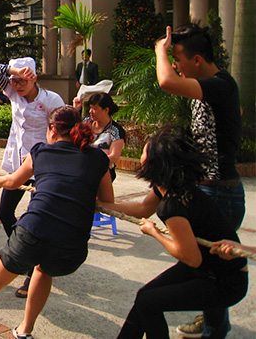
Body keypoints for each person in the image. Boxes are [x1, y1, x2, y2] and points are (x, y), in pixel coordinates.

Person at [0, 106, 113, 339]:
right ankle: (25, 330)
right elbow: (107, 202)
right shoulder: (99, 158)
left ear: (52, 129)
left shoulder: (40, 152)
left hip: (33, 232)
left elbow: (12, 182)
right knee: (43, 270)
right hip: (72, 247)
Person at [98, 127, 247, 339]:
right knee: (144, 297)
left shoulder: (172, 206)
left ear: (155, 163)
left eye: (145, 151)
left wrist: (155, 233)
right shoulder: (171, 186)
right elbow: (142, 209)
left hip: (224, 280)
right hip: (206, 267)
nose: (141, 153)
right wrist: (99, 205)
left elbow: (191, 257)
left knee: (149, 303)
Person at [155, 24, 244, 338]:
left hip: (221, 193)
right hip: (209, 188)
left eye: (178, 58)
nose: (174, 65)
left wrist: (159, 50)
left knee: (210, 268)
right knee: (209, 266)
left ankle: (214, 328)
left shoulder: (221, 85)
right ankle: (212, 320)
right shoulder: (209, 87)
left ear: (197, 60)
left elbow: (166, 81)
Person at [0, 56, 65, 298]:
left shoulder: (51, 100)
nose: (18, 85)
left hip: (43, 167)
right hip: (17, 164)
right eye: (14, 80)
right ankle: (25, 252)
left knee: (36, 221)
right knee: (5, 213)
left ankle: (33, 269)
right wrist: (14, 71)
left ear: (34, 78)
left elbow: (62, 133)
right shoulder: (12, 93)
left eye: (23, 80)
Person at [81, 92, 125, 181]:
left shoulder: (116, 131)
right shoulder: (85, 123)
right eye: (90, 108)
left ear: (106, 110)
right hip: (82, 170)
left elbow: (114, 157)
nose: (90, 111)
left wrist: (93, 163)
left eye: (94, 109)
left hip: (103, 173)